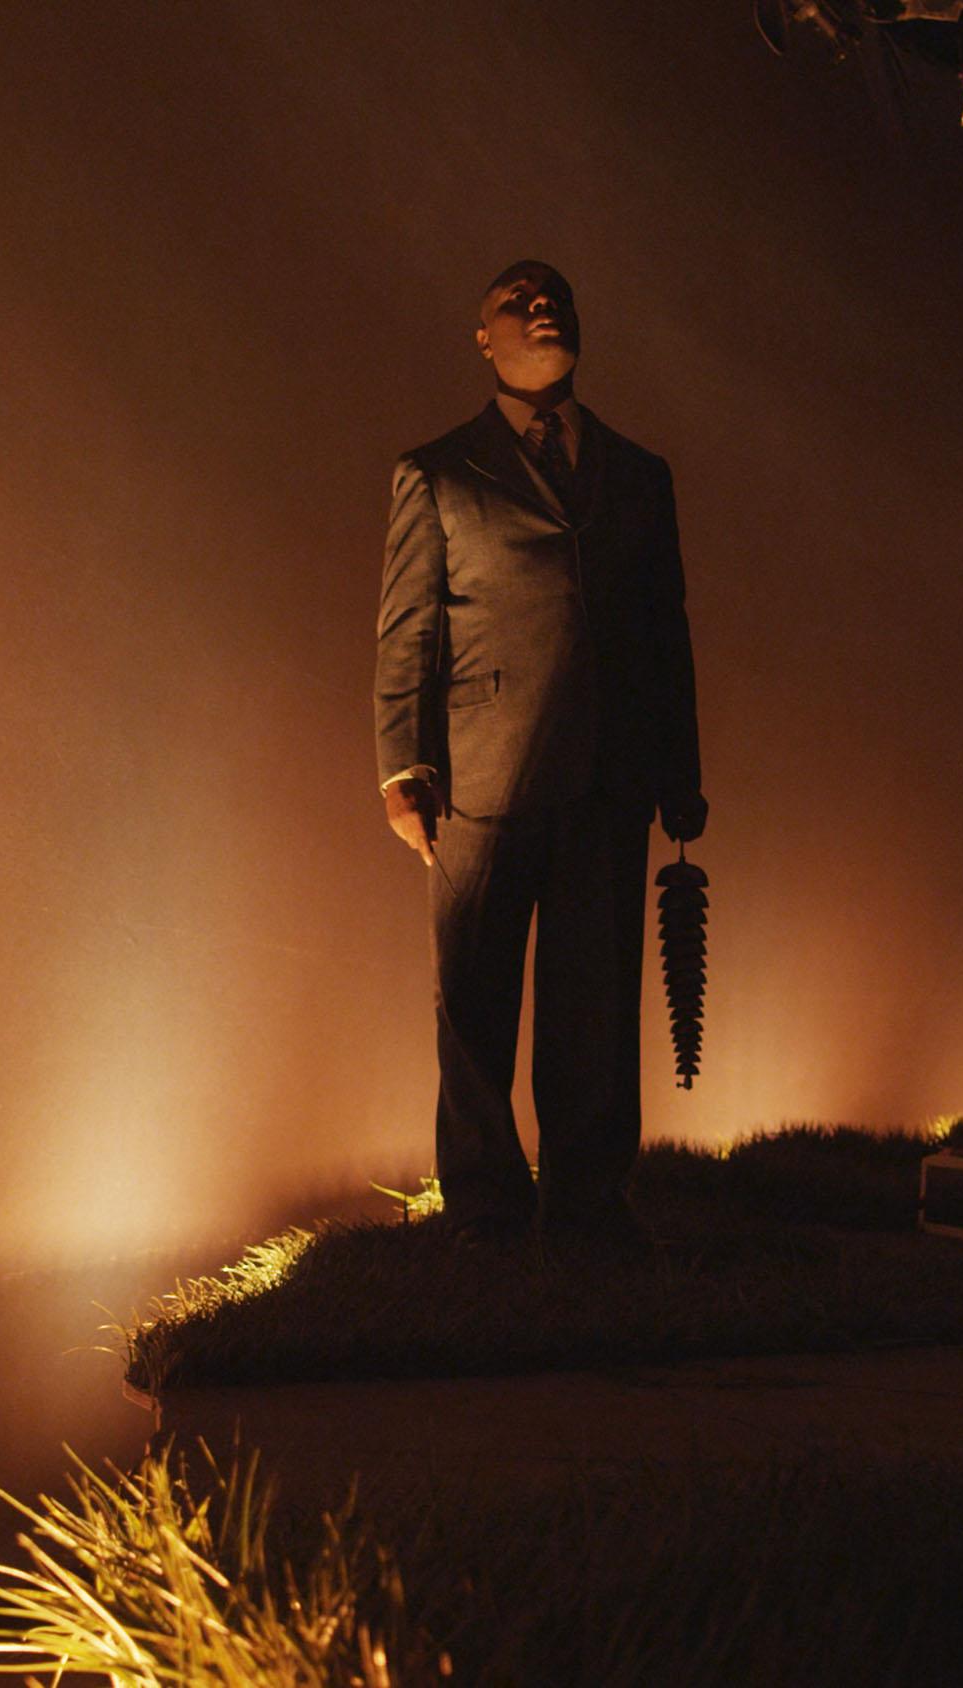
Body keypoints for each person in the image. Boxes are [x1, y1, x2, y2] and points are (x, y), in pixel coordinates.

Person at [373, 260, 707, 1254]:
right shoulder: (436, 471)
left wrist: (679, 770)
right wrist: (403, 764)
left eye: (553, 293)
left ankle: (590, 1201)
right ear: (483, 336)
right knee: (475, 1001)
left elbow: (665, 632)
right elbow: (407, 628)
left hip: (609, 777)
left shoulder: (640, 475)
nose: (540, 305)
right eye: (516, 298)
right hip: (482, 778)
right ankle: (482, 1203)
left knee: (596, 1009)